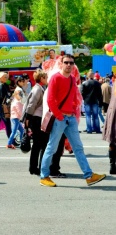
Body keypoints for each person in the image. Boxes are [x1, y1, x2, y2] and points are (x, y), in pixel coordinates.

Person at [40, 54, 106, 187]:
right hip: (60, 118)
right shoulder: (55, 78)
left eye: (71, 63)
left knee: (78, 148)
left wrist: (73, 114)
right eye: (66, 62)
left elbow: (74, 98)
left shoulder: (71, 79)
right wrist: (59, 116)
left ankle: (89, 175)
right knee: (52, 147)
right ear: (61, 63)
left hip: (70, 118)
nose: (69, 65)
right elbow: (50, 100)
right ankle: (44, 176)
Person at [103, 82, 116, 174]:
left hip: (113, 113)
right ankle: (112, 166)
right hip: (113, 112)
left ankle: (112, 166)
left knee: (112, 141)